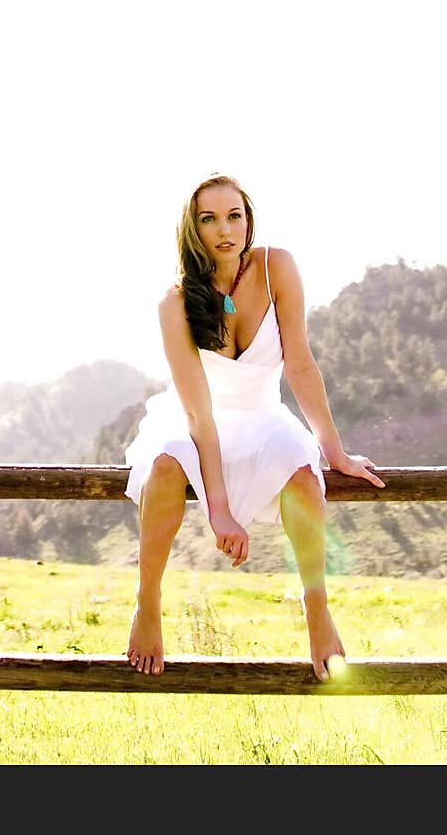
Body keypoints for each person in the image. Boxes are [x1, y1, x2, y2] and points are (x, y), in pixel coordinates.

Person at [124, 171, 385, 682]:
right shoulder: (175, 302)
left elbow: (301, 364)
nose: (225, 229)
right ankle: (147, 602)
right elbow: (198, 413)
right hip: (200, 419)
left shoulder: (276, 267)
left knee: (304, 472)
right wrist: (218, 511)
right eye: (209, 219)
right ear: (192, 229)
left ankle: (317, 611)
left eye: (234, 215)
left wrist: (335, 451)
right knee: (165, 461)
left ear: (248, 218)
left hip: (265, 413)